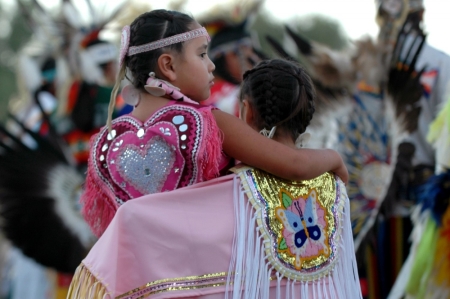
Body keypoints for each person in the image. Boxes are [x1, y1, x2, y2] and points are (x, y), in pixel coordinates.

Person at [67, 58, 361, 299]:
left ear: (247, 111)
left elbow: (141, 222)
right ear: (307, 115)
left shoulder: (229, 192)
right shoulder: (335, 191)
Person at [81, 9, 349, 238]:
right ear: (168, 66)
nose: (211, 66)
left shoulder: (106, 142)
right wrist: (334, 159)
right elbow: (294, 165)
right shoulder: (207, 123)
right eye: (202, 55)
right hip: (207, 282)